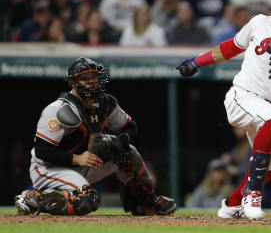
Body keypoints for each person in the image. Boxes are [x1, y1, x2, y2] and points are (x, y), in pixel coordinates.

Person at [177, 0, 271, 219]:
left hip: (270, 106)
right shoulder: (260, 23)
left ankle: (231, 205)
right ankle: (252, 194)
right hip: (242, 96)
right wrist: (197, 62)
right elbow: (230, 47)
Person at [14, 57, 176, 216]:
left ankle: (145, 204)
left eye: (95, 77)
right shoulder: (58, 109)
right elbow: (43, 151)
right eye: (85, 79)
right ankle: (34, 198)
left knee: (127, 152)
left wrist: (118, 141)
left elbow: (130, 127)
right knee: (88, 200)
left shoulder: (106, 103)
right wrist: (77, 159)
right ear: (73, 83)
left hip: (85, 164)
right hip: (49, 168)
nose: (92, 82)